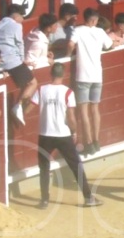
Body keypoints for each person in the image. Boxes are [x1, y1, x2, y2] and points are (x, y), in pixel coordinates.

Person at [34, 63, 101, 209]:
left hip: (45, 135)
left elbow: (29, 107)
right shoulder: (67, 92)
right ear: (63, 75)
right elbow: (70, 116)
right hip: (63, 135)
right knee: (76, 166)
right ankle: (88, 197)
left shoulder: (41, 90)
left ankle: (44, 200)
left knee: (44, 167)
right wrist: (74, 131)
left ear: (50, 73)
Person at [69, 8, 114, 155]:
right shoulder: (100, 32)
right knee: (95, 109)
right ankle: (96, 140)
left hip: (83, 75)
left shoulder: (78, 30)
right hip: (97, 76)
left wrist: (67, 54)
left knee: (83, 110)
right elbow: (110, 45)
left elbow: (70, 44)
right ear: (94, 20)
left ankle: (88, 143)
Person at [0, 3, 38, 126]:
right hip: (13, 61)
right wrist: (22, 59)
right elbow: (19, 43)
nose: (23, 19)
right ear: (16, 15)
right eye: (22, 16)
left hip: (1, 62)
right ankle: (18, 106)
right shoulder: (16, 26)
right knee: (33, 83)